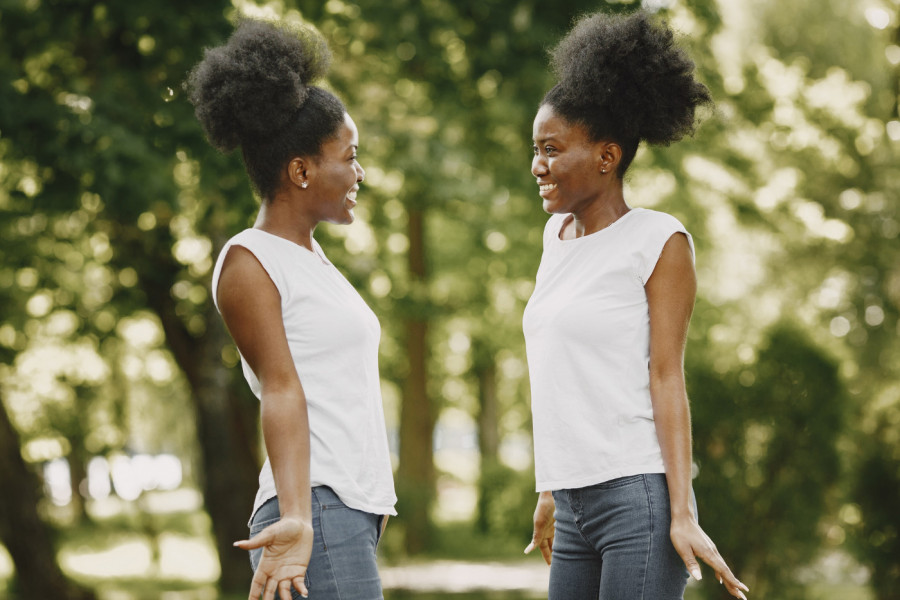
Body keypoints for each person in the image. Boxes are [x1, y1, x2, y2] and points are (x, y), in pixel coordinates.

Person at [522, 10, 749, 600]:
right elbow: (562, 377)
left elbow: (666, 375)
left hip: (636, 499)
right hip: (571, 505)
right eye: (535, 149)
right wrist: (550, 489)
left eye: (551, 149)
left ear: (606, 155)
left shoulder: (658, 240)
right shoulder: (555, 239)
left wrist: (681, 512)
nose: (537, 166)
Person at [185, 18, 396, 600]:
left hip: (345, 512)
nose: (360, 173)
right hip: (315, 511)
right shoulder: (251, 262)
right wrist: (301, 519)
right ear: (300, 170)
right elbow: (282, 389)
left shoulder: (311, 260)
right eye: (349, 157)